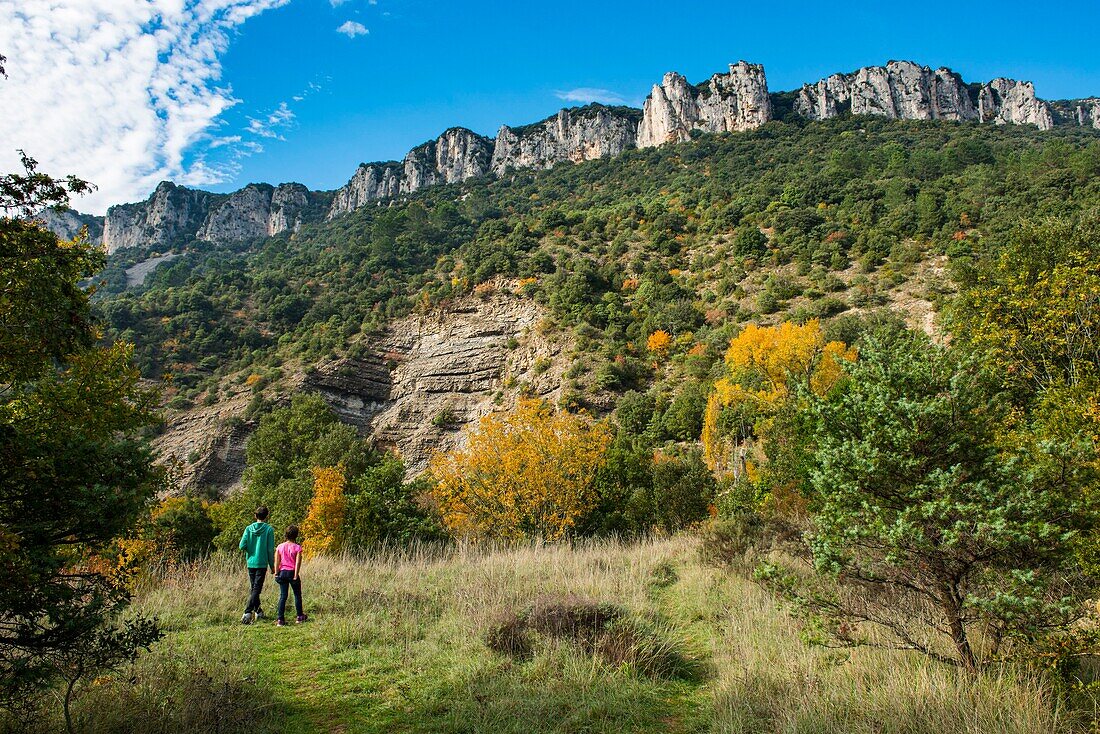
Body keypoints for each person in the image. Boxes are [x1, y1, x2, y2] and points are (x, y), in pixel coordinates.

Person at [238, 506, 275, 624]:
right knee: (256, 589)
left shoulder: (248, 529)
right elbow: (270, 550)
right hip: (262, 562)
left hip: (251, 562)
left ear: (255, 516)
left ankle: (259, 612)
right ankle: (247, 612)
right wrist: (272, 565)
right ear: (266, 516)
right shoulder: (269, 530)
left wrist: (251, 549)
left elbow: (241, 546)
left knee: (254, 588)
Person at [274, 525, 307, 626]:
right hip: (292, 571)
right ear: (296, 535)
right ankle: (299, 616)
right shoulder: (297, 548)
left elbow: (277, 561)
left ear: (286, 534)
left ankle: (280, 619)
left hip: (282, 572)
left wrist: (276, 572)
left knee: (283, 596)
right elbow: (297, 563)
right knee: (297, 594)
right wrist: (296, 575)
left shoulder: (280, 547)